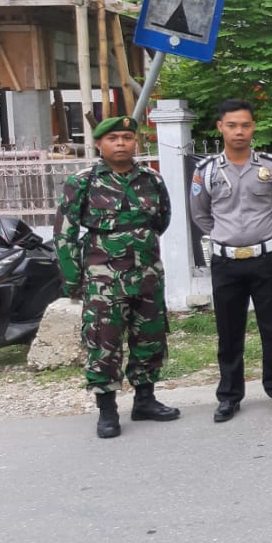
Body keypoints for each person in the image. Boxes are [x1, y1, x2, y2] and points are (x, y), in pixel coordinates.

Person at [55, 115, 180, 439]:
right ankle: (107, 410)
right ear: (99, 144)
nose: (121, 143)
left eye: (127, 137)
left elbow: (162, 220)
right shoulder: (82, 182)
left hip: (148, 273)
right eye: (113, 139)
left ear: (135, 141)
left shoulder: (151, 179)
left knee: (150, 337)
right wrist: (73, 279)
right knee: (104, 341)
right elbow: (65, 234)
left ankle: (145, 401)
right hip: (104, 279)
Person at [189, 99, 272, 422]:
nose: (239, 131)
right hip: (226, 263)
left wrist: (263, 233)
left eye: (245, 125)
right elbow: (200, 214)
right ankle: (229, 396)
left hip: (265, 259)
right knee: (229, 331)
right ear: (220, 127)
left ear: (254, 128)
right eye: (232, 125)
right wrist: (225, 236)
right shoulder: (206, 170)